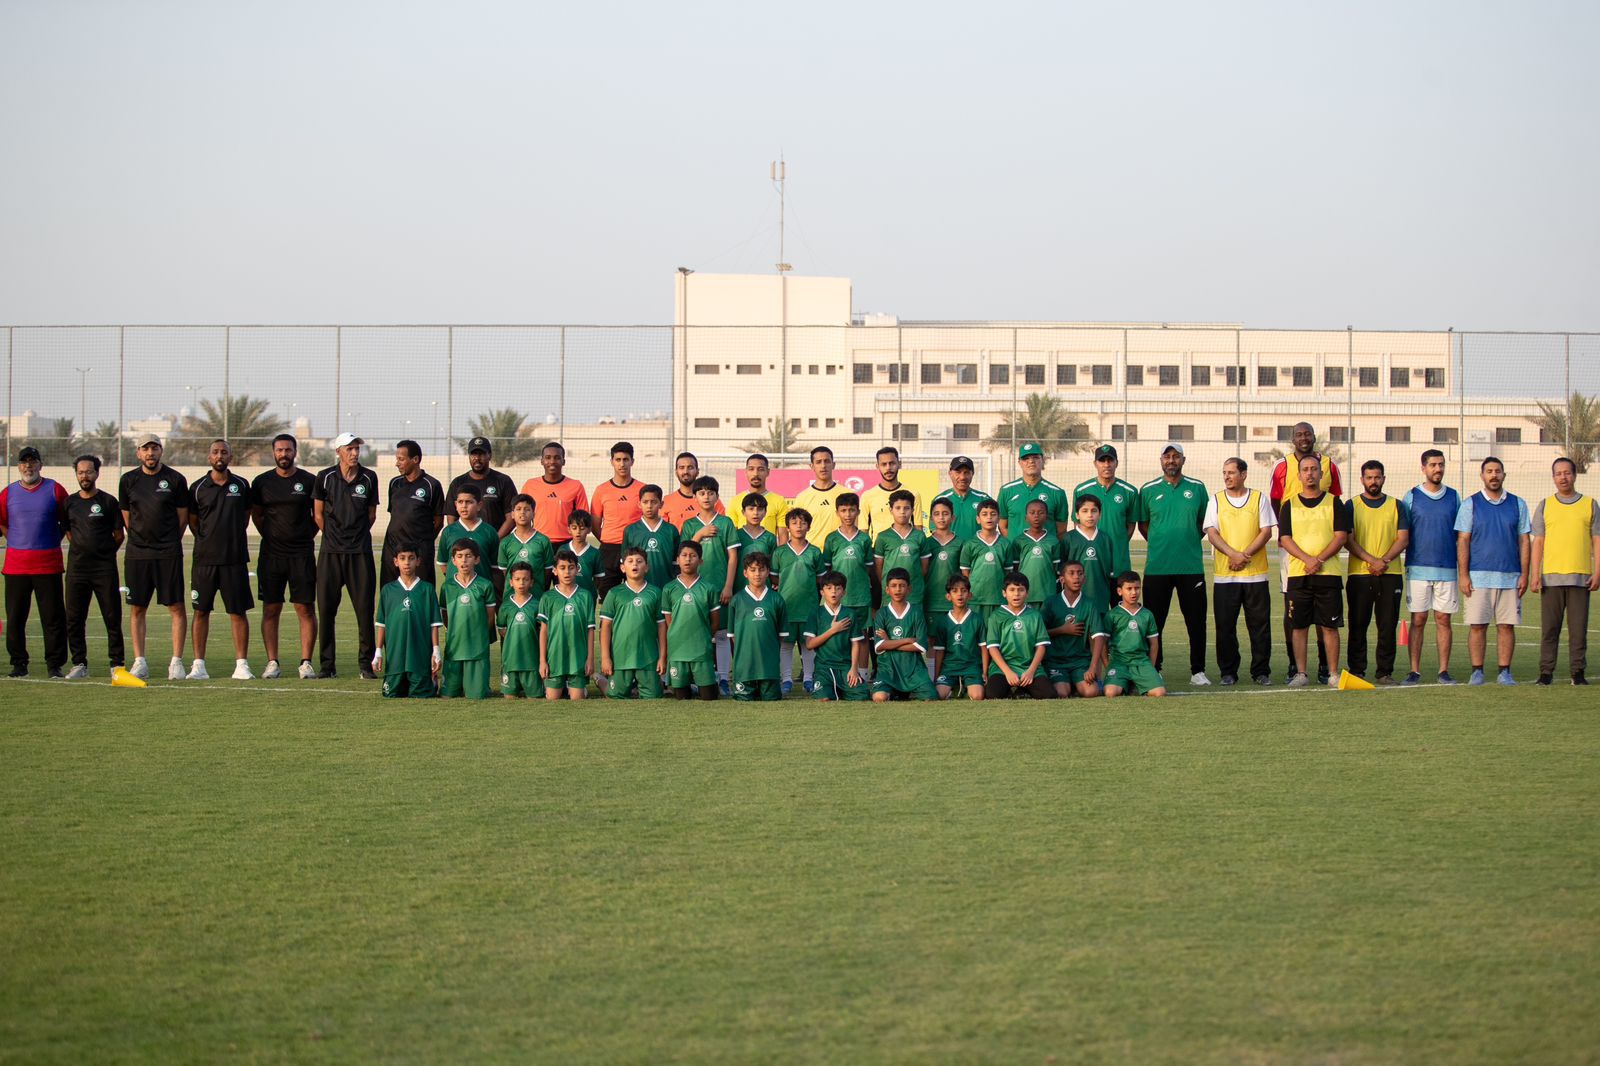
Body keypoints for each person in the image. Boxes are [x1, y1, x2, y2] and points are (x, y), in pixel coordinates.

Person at [1270, 422, 1343, 684]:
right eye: (1299, 434)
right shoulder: (1282, 467)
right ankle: (1296, 667)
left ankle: (1327, 667)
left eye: (1307, 434)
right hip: (1294, 555)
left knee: (1327, 620)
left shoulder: (1330, 468)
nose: (1303, 438)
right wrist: (1302, 555)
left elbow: (1337, 512)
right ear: (1293, 439)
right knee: (1294, 613)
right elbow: (1276, 502)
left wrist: (1318, 558)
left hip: (1326, 560)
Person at [119, 434, 190, 681]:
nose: (150, 453)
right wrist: (142, 538)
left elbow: (183, 518)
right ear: (138, 453)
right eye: (145, 449)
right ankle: (140, 662)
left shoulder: (176, 479)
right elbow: (127, 517)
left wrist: (167, 540)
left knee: (176, 606)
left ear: (161, 451)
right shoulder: (128, 480)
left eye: (155, 448)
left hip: (168, 553)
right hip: (138, 554)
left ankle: (176, 662)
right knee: (137, 607)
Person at [1138, 443, 1211, 684]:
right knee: (1154, 622)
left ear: (1183, 460)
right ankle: (1155, 668)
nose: (1171, 460)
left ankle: (1198, 671)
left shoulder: (1197, 488)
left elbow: (1204, 522)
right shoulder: (1148, 490)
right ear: (1161, 460)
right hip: (1157, 567)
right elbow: (1144, 525)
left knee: (1196, 621)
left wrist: (1187, 539)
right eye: (1167, 456)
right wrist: (1161, 541)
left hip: (1191, 567)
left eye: (1176, 456)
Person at [1278, 453, 1352, 688]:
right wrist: (1307, 560)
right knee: (1299, 626)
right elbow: (1285, 538)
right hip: (1299, 575)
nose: (1309, 473)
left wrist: (1318, 560)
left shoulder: (1334, 502)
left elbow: (1341, 536)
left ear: (1321, 473)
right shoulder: (1289, 505)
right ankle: (1301, 673)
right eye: (1305, 470)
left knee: (1330, 626)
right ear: (1299, 475)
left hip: (1328, 575)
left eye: (1314, 469)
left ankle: (1332, 673)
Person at [1455, 456, 1530, 686]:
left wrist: (1525, 574)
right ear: (1482, 476)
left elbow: (1524, 541)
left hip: (1510, 577)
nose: (1494, 475)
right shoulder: (1470, 504)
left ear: (1504, 475)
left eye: (1497, 471)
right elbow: (1463, 540)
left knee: (1506, 626)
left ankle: (1504, 672)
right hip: (1478, 578)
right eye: (1489, 471)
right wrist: (1463, 575)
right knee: (1478, 626)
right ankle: (1477, 672)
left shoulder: (1518, 504)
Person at [1203, 457, 1276, 686]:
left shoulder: (1259, 498)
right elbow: (1212, 533)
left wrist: (1243, 556)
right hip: (1226, 577)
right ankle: (1228, 672)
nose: (1227, 477)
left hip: (1256, 575)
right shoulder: (1215, 500)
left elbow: (1266, 532)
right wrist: (1232, 555)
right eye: (1224, 472)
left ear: (1243, 474)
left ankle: (1260, 672)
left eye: (1231, 472)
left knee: (1260, 626)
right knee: (1225, 627)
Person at [186, 439, 255, 680]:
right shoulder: (197, 488)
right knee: (200, 612)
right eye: (215, 452)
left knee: (238, 612)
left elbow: (245, 518)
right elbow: (193, 522)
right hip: (204, 561)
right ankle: (198, 666)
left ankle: (241, 665)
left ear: (230, 457)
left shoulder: (242, 485)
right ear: (209, 457)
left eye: (224, 452)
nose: (219, 456)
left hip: (234, 559)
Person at [313, 431, 380, 679]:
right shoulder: (325, 477)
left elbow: (371, 515)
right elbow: (318, 514)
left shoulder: (369, 477)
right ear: (338, 451)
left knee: (364, 610)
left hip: (359, 552)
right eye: (349, 449)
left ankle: (365, 665)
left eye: (357, 448)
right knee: (326, 610)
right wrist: (334, 537)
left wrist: (354, 536)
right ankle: (327, 666)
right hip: (330, 553)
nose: (354, 453)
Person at [1531, 456, 1600, 686]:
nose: (1563, 477)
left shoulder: (1590, 504)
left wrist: (1597, 572)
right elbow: (1538, 542)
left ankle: (1577, 673)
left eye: (1567, 472)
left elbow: (1597, 540)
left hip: (1581, 578)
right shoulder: (1545, 505)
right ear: (1553, 477)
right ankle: (1546, 673)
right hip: (1551, 579)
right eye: (1558, 473)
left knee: (1578, 630)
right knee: (1549, 629)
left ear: (1575, 475)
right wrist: (1535, 574)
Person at [2, 445, 69, 678]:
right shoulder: (8, 493)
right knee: (15, 618)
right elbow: (2, 523)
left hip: (48, 565)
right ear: (18, 466)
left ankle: (54, 665)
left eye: (32, 461)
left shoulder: (55, 490)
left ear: (40, 465)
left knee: (52, 618)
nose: (28, 466)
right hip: (16, 567)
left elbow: (66, 521)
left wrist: (50, 540)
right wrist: (16, 540)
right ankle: (19, 664)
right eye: (24, 462)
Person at [1345, 459, 1410, 684]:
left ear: (1383, 479)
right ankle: (1357, 670)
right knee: (1357, 624)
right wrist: (1372, 560)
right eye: (1369, 477)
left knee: (1387, 625)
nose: (1373, 481)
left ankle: (1384, 672)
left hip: (1390, 574)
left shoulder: (1397, 505)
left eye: (1377, 477)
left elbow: (1403, 539)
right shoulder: (1351, 505)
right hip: (1359, 575)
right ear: (1362, 479)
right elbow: (1348, 540)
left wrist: (1384, 560)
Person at [1401, 449, 1461, 685]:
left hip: (1447, 569)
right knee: (1418, 619)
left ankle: (1443, 671)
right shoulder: (1411, 496)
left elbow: (1461, 534)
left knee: (1444, 619)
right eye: (1433, 465)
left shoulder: (1454, 497)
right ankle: (1414, 671)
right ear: (1423, 468)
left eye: (1441, 464)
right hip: (1418, 568)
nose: (1438, 469)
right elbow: (1404, 532)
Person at [62, 454, 125, 679]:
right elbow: (69, 532)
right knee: (74, 618)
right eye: (80, 472)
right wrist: (83, 549)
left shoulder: (108, 502)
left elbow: (119, 535)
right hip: (77, 570)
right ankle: (79, 663)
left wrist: (103, 552)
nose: (84, 476)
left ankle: (117, 664)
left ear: (97, 473)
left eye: (89, 472)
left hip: (104, 569)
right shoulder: (69, 503)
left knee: (112, 616)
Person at [681, 476, 738, 689]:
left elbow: (733, 557)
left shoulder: (725, 523)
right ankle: (698, 678)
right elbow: (684, 553)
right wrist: (699, 534)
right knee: (698, 633)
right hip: (695, 589)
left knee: (721, 634)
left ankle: (723, 679)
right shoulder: (689, 525)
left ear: (717, 496)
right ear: (695, 496)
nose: (706, 497)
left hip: (720, 587)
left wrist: (728, 586)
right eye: (702, 493)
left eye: (711, 493)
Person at [373, 544, 441, 699]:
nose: (407, 562)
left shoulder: (427, 589)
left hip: (419, 657)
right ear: (396, 562)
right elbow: (382, 624)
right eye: (402, 558)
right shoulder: (388, 590)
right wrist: (378, 652)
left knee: (422, 694)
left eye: (411, 558)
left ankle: (431, 681)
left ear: (418, 561)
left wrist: (436, 651)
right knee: (390, 694)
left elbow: (434, 624)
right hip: (395, 657)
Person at [598, 546, 666, 699]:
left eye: (639, 561)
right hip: (621, 656)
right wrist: (605, 658)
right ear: (623, 568)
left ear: (646, 567)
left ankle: (657, 684)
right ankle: (600, 680)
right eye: (630, 561)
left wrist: (662, 657)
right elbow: (606, 627)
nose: (635, 564)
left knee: (653, 696)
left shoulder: (655, 593)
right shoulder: (614, 593)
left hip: (648, 657)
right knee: (615, 695)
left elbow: (662, 626)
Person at [382, 439, 445, 590]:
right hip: (393, 549)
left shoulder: (432, 485)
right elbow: (396, 516)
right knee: (391, 592)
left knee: (422, 593)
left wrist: (422, 542)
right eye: (397, 459)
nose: (397, 463)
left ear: (415, 459)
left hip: (420, 551)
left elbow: (438, 521)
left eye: (401, 459)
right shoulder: (394, 483)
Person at [772, 507, 822, 694]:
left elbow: (820, 579)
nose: (799, 526)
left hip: (809, 607)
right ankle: (786, 680)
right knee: (785, 645)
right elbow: (774, 577)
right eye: (794, 523)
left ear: (809, 527)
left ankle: (809, 679)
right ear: (788, 527)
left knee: (808, 644)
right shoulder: (780, 552)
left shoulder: (815, 552)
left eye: (803, 523)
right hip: (786, 607)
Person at [437, 541, 496, 699]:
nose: (464, 560)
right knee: (448, 695)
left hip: (477, 648)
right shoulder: (447, 586)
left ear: (476, 559)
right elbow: (444, 614)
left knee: (477, 695)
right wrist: (454, 631)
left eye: (468, 556)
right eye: (459, 556)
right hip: (455, 646)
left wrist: (480, 635)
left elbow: (490, 616)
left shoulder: (485, 585)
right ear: (453, 560)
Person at [662, 540, 719, 700]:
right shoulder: (669, 588)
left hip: (701, 649)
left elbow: (715, 621)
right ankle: (689, 686)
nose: (688, 559)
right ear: (677, 559)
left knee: (709, 697)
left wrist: (704, 637)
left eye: (693, 556)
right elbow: (669, 621)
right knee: (682, 697)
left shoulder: (709, 588)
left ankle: (706, 683)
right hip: (678, 650)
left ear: (700, 561)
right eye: (684, 555)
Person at [981, 572, 1054, 699]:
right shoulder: (996, 617)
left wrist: (1031, 671)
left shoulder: (1035, 616)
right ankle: (1012, 690)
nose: (1016, 594)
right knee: (992, 694)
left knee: (1049, 694)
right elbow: (992, 648)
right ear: (1004, 593)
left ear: (1027, 593)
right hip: (1002, 669)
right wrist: (1008, 672)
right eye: (1012, 590)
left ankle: (1022, 689)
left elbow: (1041, 647)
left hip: (1029, 667)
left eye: (1021, 590)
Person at [1072, 444, 1140, 577]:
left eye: (1110, 460)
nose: (1106, 465)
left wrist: (1118, 542)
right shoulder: (1081, 490)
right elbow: (1077, 525)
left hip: (1118, 561)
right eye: (1102, 461)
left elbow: (1131, 526)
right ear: (1095, 464)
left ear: (1116, 463)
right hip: (1091, 560)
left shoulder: (1130, 491)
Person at [728, 551, 788, 701]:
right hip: (744, 668)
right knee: (744, 700)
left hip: (769, 668)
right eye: (753, 570)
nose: (757, 574)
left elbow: (780, 636)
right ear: (745, 573)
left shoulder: (777, 599)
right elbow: (733, 637)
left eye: (761, 569)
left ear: (768, 572)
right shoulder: (737, 600)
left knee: (771, 699)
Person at [1043, 559, 1107, 698]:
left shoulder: (1089, 604)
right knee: (1061, 692)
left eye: (1080, 573)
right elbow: (1040, 634)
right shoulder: (1051, 602)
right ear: (1062, 579)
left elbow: (1098, 637)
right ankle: (1069, 683)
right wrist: (1062, 630)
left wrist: (1092, 667)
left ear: (1084, 577)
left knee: (1091, 692)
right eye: (1071, 573)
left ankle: (1077, 683)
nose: (1076, 577)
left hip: (1080, 662)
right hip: (1056, 661)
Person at [870, 568, 937, 701]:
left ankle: (904, 693)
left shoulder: (916, 612)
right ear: (887, 589)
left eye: (902, 585)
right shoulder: (882, 614)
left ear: (909, 589)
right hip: (888, 669)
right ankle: (895, 692)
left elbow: (921, 646)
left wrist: (889, 642)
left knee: (931, 696)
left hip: (913, 669)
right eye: (894, 586)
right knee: (879, 697)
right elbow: (879, 646)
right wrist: (907, 640)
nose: (898, 589)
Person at [804, 570, 871, 702]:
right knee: (823, 698)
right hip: (824, 667)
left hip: (845, 667)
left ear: (844, 592)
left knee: (862, 695)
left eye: (838, 588)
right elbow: (809, 644)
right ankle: (832, 688)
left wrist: (854, 669)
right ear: (822, 592)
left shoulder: (850, 614)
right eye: (829, 588)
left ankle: (841, 689)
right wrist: (833, 630)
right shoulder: (816, 613)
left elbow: (855, 643)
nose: (833, 591)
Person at [538, 549, 595, 700]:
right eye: (562, 568)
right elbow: (544, 631)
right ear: (555, 571)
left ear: (577, 570)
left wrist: (590, 658)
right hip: (555, 657)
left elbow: (590, 630)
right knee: (553, 698)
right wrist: (543, 661)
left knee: (577, 699)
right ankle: (559, 686)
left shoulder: (585, 596)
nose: (567, 572)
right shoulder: (548, 597)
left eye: (571, 567)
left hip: (578, 657)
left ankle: (581, 687)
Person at [590, 441, 644, 599]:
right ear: (612, 462)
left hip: (635, 549)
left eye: (626, 459)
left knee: (636, 596)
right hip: (609, 550)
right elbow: (595, 524)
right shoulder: (601, 490)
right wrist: (608, 541)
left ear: (632, 461)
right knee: (608, 597)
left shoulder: (642, 489)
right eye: (618, 459)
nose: (622, 464)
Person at [1102, 571, 1167, 697]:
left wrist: (1150, 668)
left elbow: (1154, 644)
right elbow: (1103, 643)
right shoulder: (1112, 615)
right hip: (1118, 662)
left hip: (1141, 662)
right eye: (1129, 589)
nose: (1134, 592)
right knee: (1110, 692)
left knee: (1160, 693)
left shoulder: (1147, 614)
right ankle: (1127, 683)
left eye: (1137, 588)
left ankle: (1137, 681)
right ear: (1119, 591)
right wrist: (1108, 666)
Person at [823, 492, 874, 649]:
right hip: (838, 598)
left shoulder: (864, 539)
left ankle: (862, 667)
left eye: (852, 510)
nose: (848, 514)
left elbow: (868, 567)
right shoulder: (831, 538)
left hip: (861, 597)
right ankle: (844, 665)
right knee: (840, 637)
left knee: (862, 637)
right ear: (837, 512)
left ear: (858, 511)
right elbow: (828, 568)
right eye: (843, 510)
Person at [517, 440, 587, 550]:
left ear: (563, 461)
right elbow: (522, 515)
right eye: (548, 457)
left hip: (567, 544)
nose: (552, 461)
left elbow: (583, 519)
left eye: (557, 458)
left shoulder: (576, 486)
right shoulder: (530, 485)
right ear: (542, 461)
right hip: (537, 542)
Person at [997, 442, 1070, 540]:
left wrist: (1046, 546)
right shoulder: (1006, 491)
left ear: (1043, 460)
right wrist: (1015, 544)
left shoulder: (1057, 493)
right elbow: (1002, 526)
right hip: (1015, 550)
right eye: (1025, 458)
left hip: (1045, 550)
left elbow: (1061, 530)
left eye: (1035, 457)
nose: (1031, 461)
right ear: (1019, 463)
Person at [873, 489, 929, 609]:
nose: (902, 512)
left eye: (906, 508)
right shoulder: (883, 537)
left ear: (912, 510)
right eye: (898, 508)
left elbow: (924, 568)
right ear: (891, 510)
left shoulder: (919, 536)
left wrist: (914, 581)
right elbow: (879, 567)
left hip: (914, 593)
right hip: (890, 595)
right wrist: (888, 584)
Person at [449, 436, 518, 533]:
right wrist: (461, 539)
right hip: (465, 541)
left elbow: (511, 517)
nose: (477, 458)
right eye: (473, 454)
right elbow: (451, 517)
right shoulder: (458, 483)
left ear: (489, 455)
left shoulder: (503, 481)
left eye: (481, 454)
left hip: (495, 541)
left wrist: (494, 539)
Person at [932, 574, 985, 700]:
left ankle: (966, 688)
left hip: (971, 667)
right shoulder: (943, 621)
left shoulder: (977, 619)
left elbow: (983, 648)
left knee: (977, 696)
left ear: (969, 595)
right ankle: (954, 688)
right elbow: (939, 651)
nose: (960, 594)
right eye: (955, 591)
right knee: (937, 695)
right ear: (948, 596)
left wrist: (984, 672)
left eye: (963, 590)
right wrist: (936, 676)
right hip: (949, 667)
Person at [960, 498, 1013, 625]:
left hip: (998, 598)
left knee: (996, 632)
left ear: (998, 518)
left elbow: (1008, 573)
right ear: (978, 519)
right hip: (976, 599)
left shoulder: (1005, 543)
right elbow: (965, 573)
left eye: (993, 514)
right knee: (977, 632)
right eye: (984, 514)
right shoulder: (970, 544)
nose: (989, 517)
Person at [1062, 495, 1116, 610]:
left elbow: (1109, 571)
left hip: (1100, 598)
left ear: (1100, 514)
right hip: (1074, 599)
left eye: (1094, 511)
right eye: (1085, 511)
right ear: (1077, 515)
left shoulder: (1105, 539)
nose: (1090, 515)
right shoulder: (1069, 538)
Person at [435, 485, 498, 583]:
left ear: (479, 505)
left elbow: (495, 567)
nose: (464, 506)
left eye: (469, 502)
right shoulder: (448, 531)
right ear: (456, 504)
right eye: (460, 502)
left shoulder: (490, 531)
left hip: (481, 589)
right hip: (456, 590)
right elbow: (443, 563)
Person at [497, 561, 542, 699]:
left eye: (525, 579)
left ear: (531, 582)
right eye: (517, 579)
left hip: (532, 662)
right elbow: (502, 630)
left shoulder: (538, 605)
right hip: (511, 661)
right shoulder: (505, 606)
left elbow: (542, 632)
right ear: (511, 582)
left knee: (535, 698)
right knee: (509, 698)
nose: (521, 583)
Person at [622, 485, 680, 588]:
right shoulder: (630, 530)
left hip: (666, 586)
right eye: (645, 502)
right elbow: (625, 561)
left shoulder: (671, 530)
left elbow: (677, 562)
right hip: (639, 588)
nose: (649, 506)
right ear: (639, 504)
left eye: (654, 502)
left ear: (661, 504)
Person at [922, 498, 964, 638]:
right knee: (931, 640)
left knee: (954, 640)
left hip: (953, 601)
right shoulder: (926, 543)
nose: (941, 517)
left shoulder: (961, 543)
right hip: (931, 601)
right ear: (931, 518)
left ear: (953, 517)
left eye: (945, 513)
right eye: (937, 514)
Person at [861, 445, 924, 537]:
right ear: (877, 466)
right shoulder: (867, 496)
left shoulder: (913, 494)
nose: (888, 468)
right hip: (878, 546)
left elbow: (918, 529)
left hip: (906, 546)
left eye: (892, 463)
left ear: (899, 464)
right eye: (884, 464)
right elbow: (863, 531)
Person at [498, 493, 554, 593]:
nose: (522, 512)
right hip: (512, 596)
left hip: (536, 595)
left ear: (533, 514)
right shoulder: (505, 542)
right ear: (512, 514)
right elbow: (505, 572)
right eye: (518, 509)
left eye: (527, 509)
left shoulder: (543, 540)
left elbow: (547, 571)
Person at [791, 446, 847, 544]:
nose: (823, 466)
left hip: (840, 550)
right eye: (818, 462)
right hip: (811, 551)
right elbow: (795, 531)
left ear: (833, 465)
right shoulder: (802, 497)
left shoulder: (846, 494)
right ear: (812, 466)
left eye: (827, 461)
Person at [931, 455, 993, 541]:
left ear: (972, 474)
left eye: (966, 472)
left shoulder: (984, 499)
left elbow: (992, 529)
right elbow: (935, 532)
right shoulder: (939, 501)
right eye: (958, 472)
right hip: (950, 549)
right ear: (950, 473)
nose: (962, 477)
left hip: (977, 549)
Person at [1012, 499, 1060, 610]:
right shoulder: (1019, 541)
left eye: (1041, 512)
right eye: (1032, 513)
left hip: (1048, 593)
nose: (1036, 516)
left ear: (1047, 517)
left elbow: (1056, 569)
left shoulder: (1053, 541)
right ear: (1026, 517)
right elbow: (1015, 569)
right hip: (1025, 594)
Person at [661, 452, 720, 529]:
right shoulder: (667, 501)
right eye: (681, 467)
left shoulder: (712, 500)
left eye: (690, 467)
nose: (686, 471)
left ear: (697, 471)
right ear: (676, 472)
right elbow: (662, 531)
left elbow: (722, 528)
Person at [744, 453, 790, 534]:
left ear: (768, 472)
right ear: (746, 472)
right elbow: (731, 535)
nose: (756, 473)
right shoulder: (735, 501)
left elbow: (783, 536)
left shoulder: (779, 501)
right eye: (751, 469)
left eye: (761, 469)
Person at [734, 493, 778, 576]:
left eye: (760, 509)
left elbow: (772, 567)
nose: (755, 513)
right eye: (751, 509)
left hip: (764, 583)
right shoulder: (735, 535)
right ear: (743, 512)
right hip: (739, 583)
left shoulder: (771, 538)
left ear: (765, 512)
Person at [566, 511, 604, 594]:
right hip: (567, 597)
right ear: (569, 529)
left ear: (589, 529)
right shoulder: (563, 549)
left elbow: (599, 578)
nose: (578, 532)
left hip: (587, 597)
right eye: (574, 528)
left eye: (582, 528)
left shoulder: (594, 553)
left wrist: (590, 593)